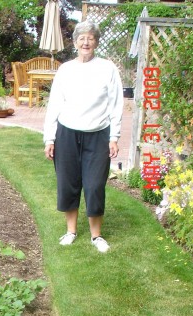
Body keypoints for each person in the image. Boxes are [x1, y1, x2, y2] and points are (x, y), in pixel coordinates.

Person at [43, 20, 123, 253]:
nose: (86, 42)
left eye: (90, 38)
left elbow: (116, 104)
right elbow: (54, 105)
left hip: (98, 134)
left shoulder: (107, 68)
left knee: (95, 185)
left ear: (96, 42)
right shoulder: (66, 69)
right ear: (75, 42)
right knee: (68, 183)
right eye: (82, 38)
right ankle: (71, 231)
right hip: (67, 134)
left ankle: (96, 236)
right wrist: (50, 138)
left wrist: (114, 136)